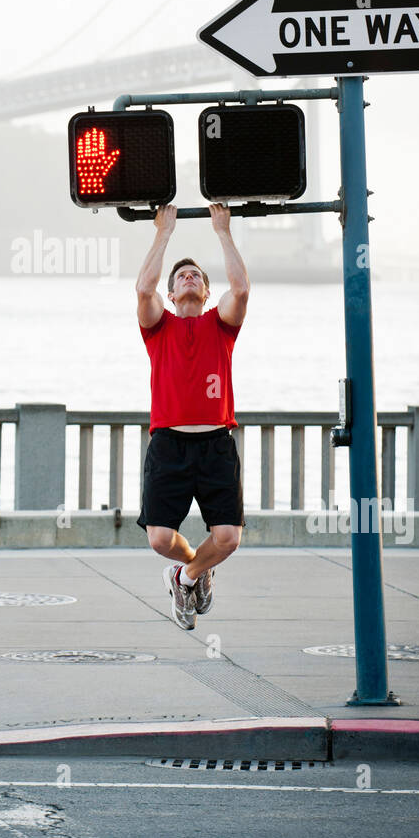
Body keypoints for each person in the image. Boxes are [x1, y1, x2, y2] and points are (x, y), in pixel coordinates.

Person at [135, 202, 249, 630]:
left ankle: (187, 577)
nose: (189, 277)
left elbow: (240, 291)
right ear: (172, 293)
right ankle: (192, 570)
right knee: (160, 539)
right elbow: (143, 290)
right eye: (181, 275)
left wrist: (223, 232)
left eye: (197, 276)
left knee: (228, 538)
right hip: (169, 444)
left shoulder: (220, 325)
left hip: (216, 443)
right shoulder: (157, 325)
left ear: (205, 293)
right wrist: (164, 232)